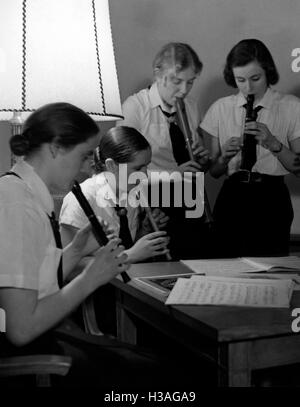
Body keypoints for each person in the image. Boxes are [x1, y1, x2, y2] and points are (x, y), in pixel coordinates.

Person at [0, 103, 186, 388]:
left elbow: (40, 283)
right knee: (163, 373)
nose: (89, 167)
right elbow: (21, 329)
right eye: (84, 156)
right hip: (27, 350)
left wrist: (75, 249)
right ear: (55, 148)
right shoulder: (17, 203)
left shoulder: (26, 194)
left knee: (159, 359)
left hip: (47, 333)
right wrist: (91, 277)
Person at [200, 39, 300, 257]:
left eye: (256, 78)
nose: (248, 88)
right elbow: (215, 172)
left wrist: (274, 144)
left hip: (272, 199)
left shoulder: (292, 106)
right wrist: (224, 158)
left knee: (271, 274)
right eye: (240, 80)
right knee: (225, 267)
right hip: (232, 197)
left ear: (268, 71)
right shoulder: (220, 108)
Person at [117, 42, 212, 259]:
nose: (184, 90)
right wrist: (174, 175)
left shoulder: (192, 106)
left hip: (189, 199)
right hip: (152, 203)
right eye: (177, 82)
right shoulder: (135, 108)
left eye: (190, 82)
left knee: (195, 261)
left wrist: (201, 159)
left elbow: (193, 164)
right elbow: (123, 173)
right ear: (158, 75)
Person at [60, 126, 170, 264]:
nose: (144, 175)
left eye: (146, 166)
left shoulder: (131, 193)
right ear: (111, 165)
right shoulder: (81, 200)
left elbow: (127, 245)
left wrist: (145, 231)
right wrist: (130, 255)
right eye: (137, 168)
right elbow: (69, 268)